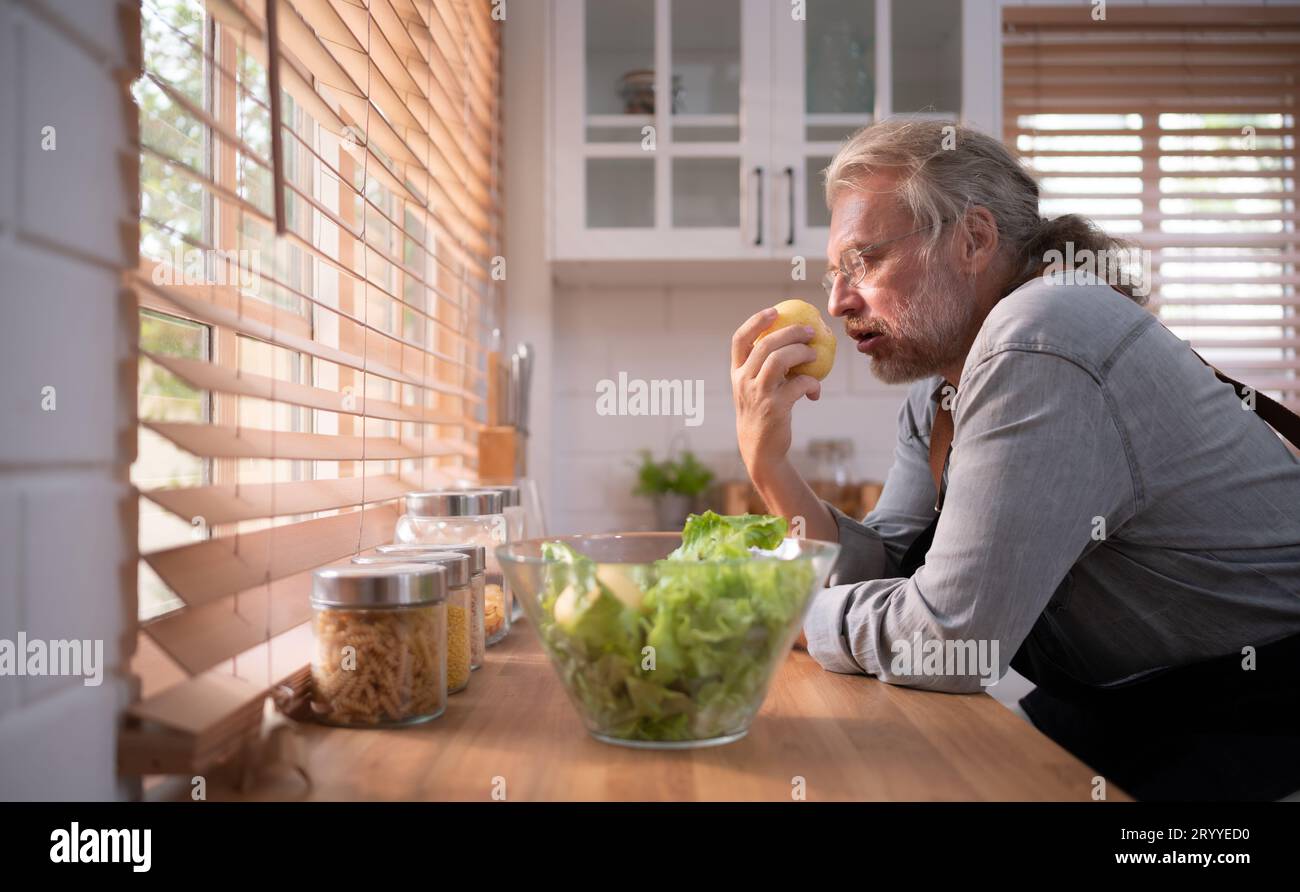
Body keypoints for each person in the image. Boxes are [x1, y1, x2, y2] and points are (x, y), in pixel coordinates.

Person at [730, 119, 1300, 801]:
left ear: (972, 239)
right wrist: (769, 463)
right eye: (834, 274)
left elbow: (947, 639)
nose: (837, 301)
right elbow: (886, 566)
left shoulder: (1041, 336)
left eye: (864, 261)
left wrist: (784, 615)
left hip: (1258, 726)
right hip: (1126, 714)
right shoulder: (941, 395)